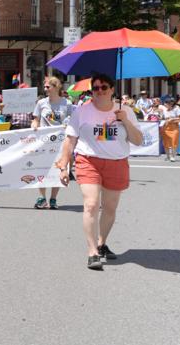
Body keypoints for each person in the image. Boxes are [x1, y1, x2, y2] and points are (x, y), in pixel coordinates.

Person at [55, 74, 143, 270]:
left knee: (110, 208)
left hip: (117, 162)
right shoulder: (81, 111)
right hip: (88, 161)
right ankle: (92, 251)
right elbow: (70, 140)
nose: (100, 91)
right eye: (95, 88)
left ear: (112, 89)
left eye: (104, 87)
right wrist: (63, 165)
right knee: (91, 204)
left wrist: (125, 121)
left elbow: (138, 140)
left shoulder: (125, 110)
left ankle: (102, 243)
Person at [30, 76, 74, 209]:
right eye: (44, 87)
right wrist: (34, 125)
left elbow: (72, 120)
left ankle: (53, 198)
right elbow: (35, 119)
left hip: (61, 142)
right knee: (41, 169)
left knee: (58, 169)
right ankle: (42, 198)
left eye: (48, 87)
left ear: (56, 87)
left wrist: (68, 125)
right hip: (44, 142)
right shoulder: (41, 103)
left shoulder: (67, 103)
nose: (45, 89)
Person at [161, 97, 180, 162]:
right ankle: (168, 156)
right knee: (166, 142)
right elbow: (163, 118)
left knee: (174, 142)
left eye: (166, 104)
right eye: (165, 104)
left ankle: (173, 156)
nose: (165, 105)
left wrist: (172, 119)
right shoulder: (164, 110)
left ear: (171, 104)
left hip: (174, 127)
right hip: (166, 127)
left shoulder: (177, 109)